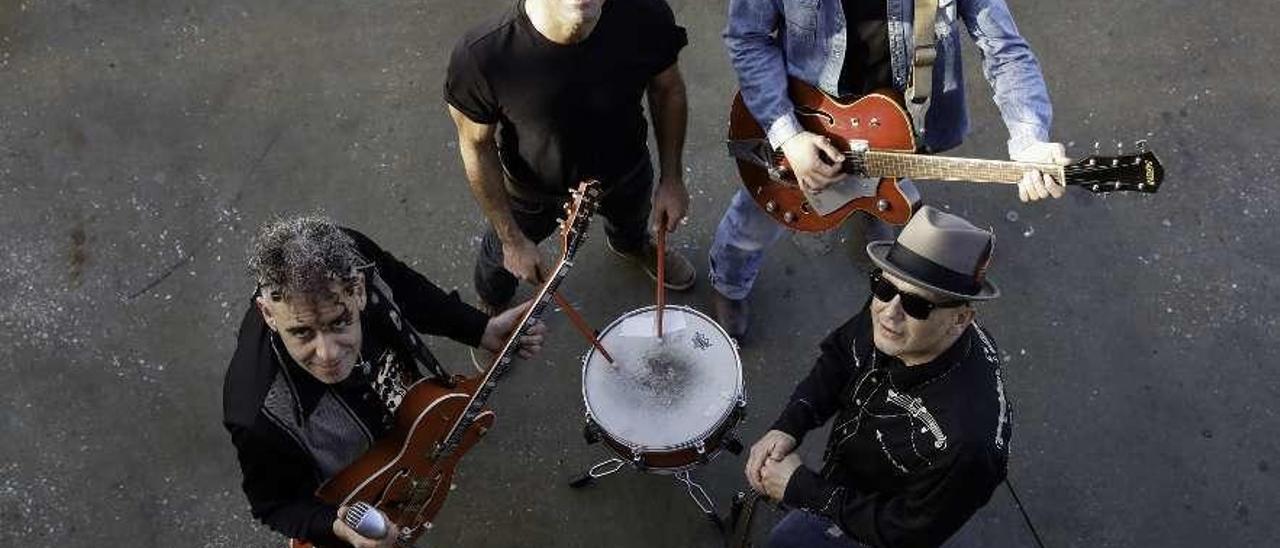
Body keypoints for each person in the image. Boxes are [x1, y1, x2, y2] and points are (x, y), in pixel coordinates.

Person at [711, 0, 1066, 341]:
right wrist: (788, 136)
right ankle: (730, 283)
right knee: (753, 221)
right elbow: (748, 37)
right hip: (808, 121)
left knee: (888, 187)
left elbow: (1004, 49)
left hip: (897, 127)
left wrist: (1030, 141)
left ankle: (866, 203)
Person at [222, 215, 546, 548]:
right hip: (362, 494)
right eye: (302, 332)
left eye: (339, 322)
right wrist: (334, 527)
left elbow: (407, 291)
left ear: (359, 290)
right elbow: (274, 504)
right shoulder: (255, 414)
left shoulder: (355, 256)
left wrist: (479, 329)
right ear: (268, 315)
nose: (328, 354)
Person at [744, 206, 1012, 548]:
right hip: (850, 468)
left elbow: (906, 531)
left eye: (917, 305)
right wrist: (790, 424)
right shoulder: (894, 311)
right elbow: (841, 357)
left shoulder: (968, 447)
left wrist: (803, 490)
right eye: (882, 285)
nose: (890, 311)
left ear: (961, 319)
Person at [445, 0, 696, 314]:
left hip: (625, 169)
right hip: (532, 190)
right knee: (501, 261)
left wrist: (672, 179)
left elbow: (667, 89)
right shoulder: (483, 56)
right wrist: (511, 239)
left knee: (631, 220)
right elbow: (476, 146)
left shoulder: (646, 13)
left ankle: (631, 245)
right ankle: (491, 309)